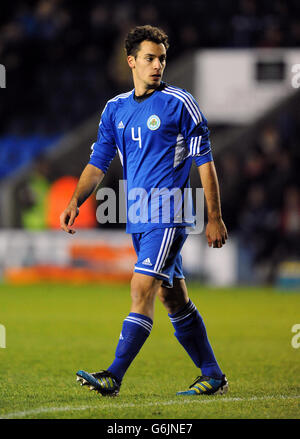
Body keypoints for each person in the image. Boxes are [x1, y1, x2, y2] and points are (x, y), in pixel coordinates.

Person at [60, 25, 228, 397]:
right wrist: (75, 200)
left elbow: (205, 162)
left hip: (168, 216)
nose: (157, 66)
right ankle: (212, 374)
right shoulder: (115, 109)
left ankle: (113, 376)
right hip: (137, 217)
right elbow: (98, 162)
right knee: (174, 298)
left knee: (142, 288)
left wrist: (214, 216)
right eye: (150, 59)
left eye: (162, 59)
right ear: (131, 62)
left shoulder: (180, 103)